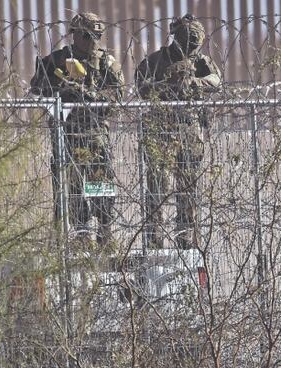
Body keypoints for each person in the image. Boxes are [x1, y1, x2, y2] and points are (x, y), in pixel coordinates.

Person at [30, 12, 124, 248]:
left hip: (95, 131)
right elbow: (38, 88)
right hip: (67, 132)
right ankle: (81, 233)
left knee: (100, 182)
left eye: (96, 35)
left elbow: (118, 94)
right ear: (75, 35)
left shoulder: (106, 62)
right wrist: (62, 90)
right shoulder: (57, 60)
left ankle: (104, 230)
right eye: (86, 35)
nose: (92, 40)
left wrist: (93, 96)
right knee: (73, 185)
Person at [135, 14, 221, 249]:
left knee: (188, 188)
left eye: (195, 42)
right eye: (188, 40)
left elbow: (216, 80)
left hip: (190, 129)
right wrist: (167, 85)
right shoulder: (156, 61)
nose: (192, 46)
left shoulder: (200, 61)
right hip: (161, 130)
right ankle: (154, 240)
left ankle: (186, 238)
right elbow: (141, 87)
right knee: (157, 188)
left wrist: (195, 83)